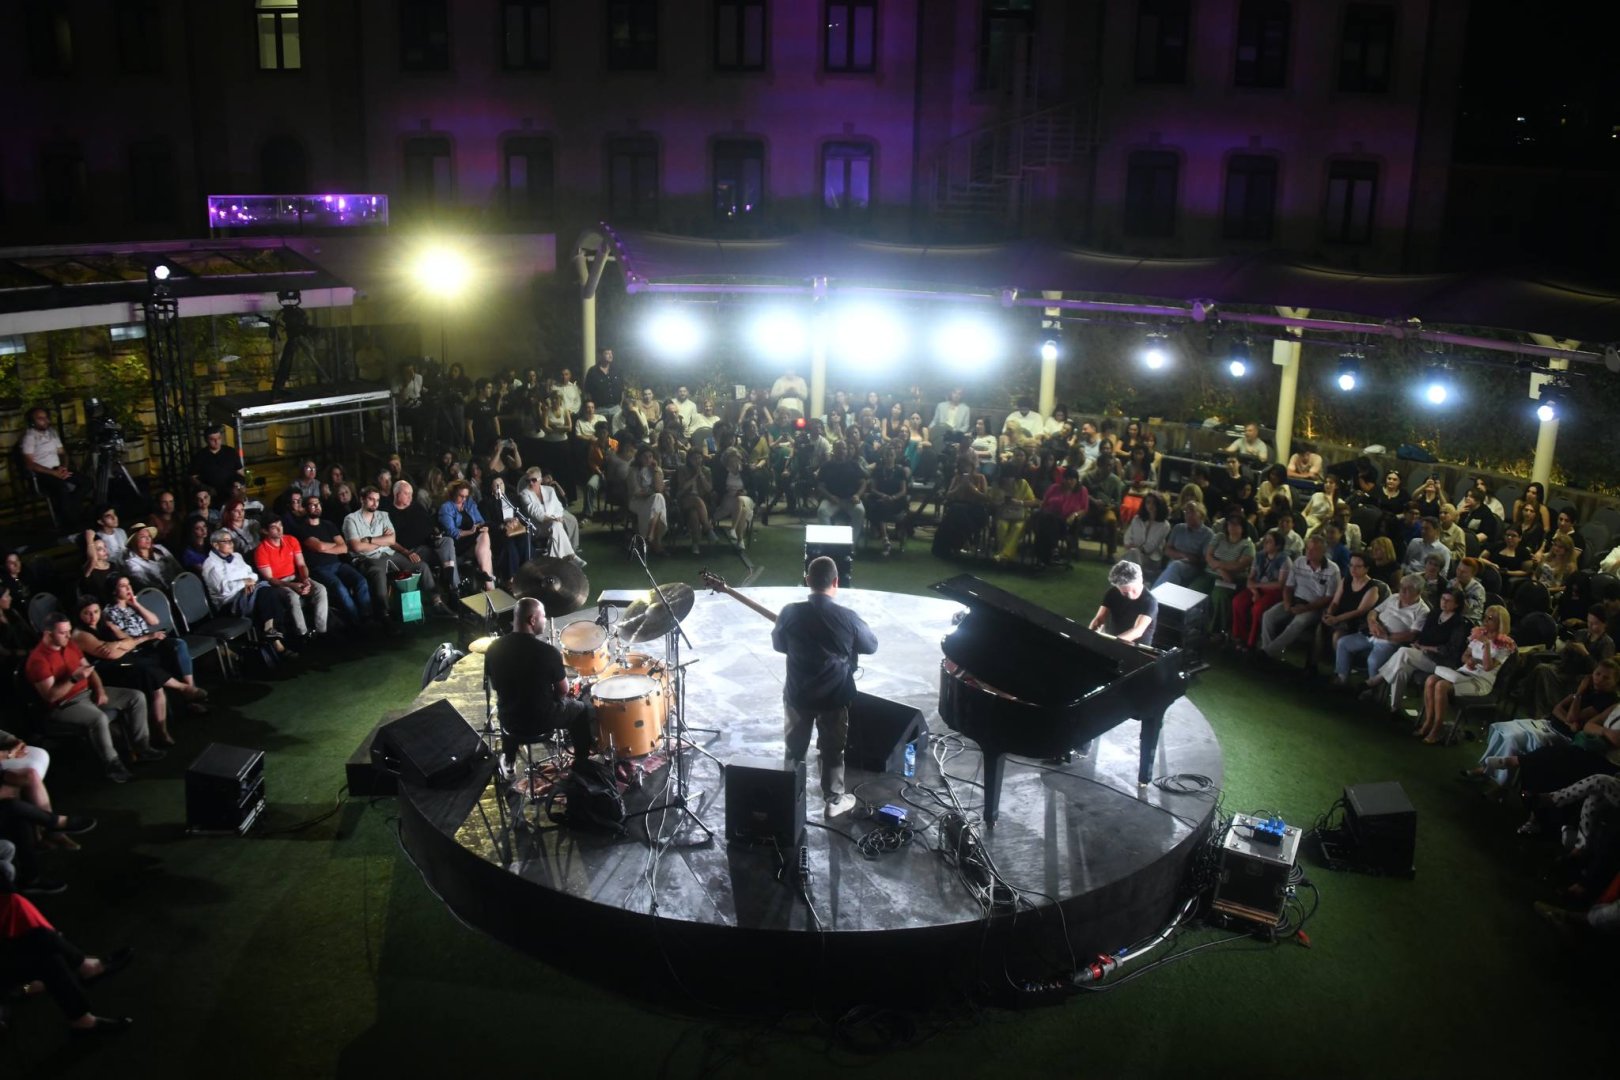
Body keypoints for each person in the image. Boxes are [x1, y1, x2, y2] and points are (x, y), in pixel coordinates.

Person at [771, 556, 878, 818]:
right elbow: (871, 645)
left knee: (794, 748)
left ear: (807, 580)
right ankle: (834, 800)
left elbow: (779, 645)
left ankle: (788, 795)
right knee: (832, 749)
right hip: (834, 695)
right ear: (836, 582)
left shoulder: (789, 612)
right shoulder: (847, 617)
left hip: (798, 694)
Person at [25, 613, 159, 783]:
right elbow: (50, 696)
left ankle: (142, 747)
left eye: (69, 631)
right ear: (48, 633)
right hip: (65, 704)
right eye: (63, 633)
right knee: (98, 719)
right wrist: (74, 679)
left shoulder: (69, 644)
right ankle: (113, 765)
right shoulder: (38, 660)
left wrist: (100, 690)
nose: (68, 636)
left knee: (135, 697)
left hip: (87, 693)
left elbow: (89, 670)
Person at [483, 598, 597, 775]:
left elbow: (495, 685)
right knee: (580, 709)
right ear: (532, 620)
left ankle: (509, 760)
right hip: (541, 721)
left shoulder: (493, 649)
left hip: (509, 720)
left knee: (509, 704)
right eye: (543, 617)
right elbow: (563, 691)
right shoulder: (548, 652)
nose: (545, 620)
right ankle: (581, 764)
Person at [343, 486, 457, 621]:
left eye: (377, 500)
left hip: (389, 553)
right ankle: (384, 614)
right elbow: (356, 547)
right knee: (378, 573)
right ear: (362, 499)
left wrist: (369, 539)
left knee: (422, 566)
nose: (375, 503)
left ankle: (437, 603)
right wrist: (382, 540)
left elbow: (391, 540)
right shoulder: (351, 519)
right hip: (367, 558)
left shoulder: (383, 515)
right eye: (371, 499)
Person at [1416, 605, 1515, 744]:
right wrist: (1469, 660)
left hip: (1480, 681)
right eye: (1485, 617)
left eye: (1490, 618)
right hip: (1464, 673)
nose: (1485, 621)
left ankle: (1437, 728)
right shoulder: (1479, 633)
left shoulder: (1505, 644)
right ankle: (1428, 721)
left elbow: (1488, 667)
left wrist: (1487, 644)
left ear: (1500, 622)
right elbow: (1464, 656)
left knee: (1441, 686)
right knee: (1431, 680)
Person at [1259, 534, 1341, 663]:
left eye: (1314, 549)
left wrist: (1306, 608)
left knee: (1298, 623)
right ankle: (1269, 653)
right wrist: (1287, 603)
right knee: (1268, 616)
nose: (1309, 552)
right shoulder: (1299, 562)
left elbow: (1329, 597)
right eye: (1307, 548)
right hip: (1295, 600)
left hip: (1314, 607)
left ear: (1323, 552)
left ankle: (1266, 653)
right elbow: (1288, 586)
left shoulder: (1333, 569)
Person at [1336, 573, 1427, 686]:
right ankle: (1342, 679)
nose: (1402, 591)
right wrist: (1372, 623)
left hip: (1390, 642)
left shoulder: (1422, 611)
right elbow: (1373, 611)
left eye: (1408, 589)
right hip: (1371, 633)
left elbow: (1412, 635)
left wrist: (1386, 636)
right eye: (1402, 587)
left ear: (1418, 592)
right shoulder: (1394, 597)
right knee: (1343, 643)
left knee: (1373, 661)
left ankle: (1371, 690)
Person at [253, 518, 330, 641]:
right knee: (292, 596)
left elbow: (301, 565)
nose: (279, 529)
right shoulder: (261, 550)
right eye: (274, 527)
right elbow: (270, 579)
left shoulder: (291, 540)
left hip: (296, 577)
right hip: (279, 583)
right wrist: (291, 585)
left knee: (320, 589)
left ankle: (321, 631)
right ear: (265, 531)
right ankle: (303, 634)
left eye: (280, 525)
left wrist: (305, 579)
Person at [19, 406, 83, 523]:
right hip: (43, 473)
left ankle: (73, 510)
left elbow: (63, 453)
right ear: (32, 421)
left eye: (46, 417)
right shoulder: (29, 437)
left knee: (86, 482)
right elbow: (30, 464)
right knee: (61, 488)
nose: (45, 421)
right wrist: (53, 473)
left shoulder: (52, 433)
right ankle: (67, 520)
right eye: (40, 418)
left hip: (58, 469)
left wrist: (64, 467)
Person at [435, 482, 495, 592]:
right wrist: (470, 531)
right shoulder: (446, 508)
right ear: (453, 493)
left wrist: (483, 527)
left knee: (485, 535)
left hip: (473, 540)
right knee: (486, 545)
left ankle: (486, 577)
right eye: (461, 496)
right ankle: (489, 583)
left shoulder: (469, 503)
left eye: (466, 496)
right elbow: (452, 532)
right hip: (457, 543)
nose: (463, 499)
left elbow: (480, 521)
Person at [1088, 559, 1158, 645]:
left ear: (1141, 580)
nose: (1130, 596)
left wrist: (1110, 644)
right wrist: (1089, 636)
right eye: (1125, 592)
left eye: (1134, 590)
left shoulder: (1150, 601)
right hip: (1114, 640)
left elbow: (1137, 631)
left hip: (1137, 648)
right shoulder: (1112, 593)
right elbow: (1099, 619)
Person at [815, 442, 868, 542]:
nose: (841, 451)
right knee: (822, 511)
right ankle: (830, 542)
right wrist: (830, 496)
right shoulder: (826, 466)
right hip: (832, 500)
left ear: (846, 451)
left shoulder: (854, 465)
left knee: (860, 511)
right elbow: (820, 486)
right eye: (838, 448)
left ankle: (851, 543)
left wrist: (857, 495)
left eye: (844, 448)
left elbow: (863, 482)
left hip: (850, 500)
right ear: (834, 450)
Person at [1155, 501, 1214, 589]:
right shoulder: (1178, 528)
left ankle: (1153, 594)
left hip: (1193, 568)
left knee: (1176, 566)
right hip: (1173, 563)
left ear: (1201, 514)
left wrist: (1192, 559)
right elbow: (1167, 550)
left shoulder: (1208, 534)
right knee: (1174, 567)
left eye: (1192, 511)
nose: (1187, 515)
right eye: (1186, 512)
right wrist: (1183, 555)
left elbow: (1204, 560)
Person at [188, 425, 243, 498]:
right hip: (211, 495)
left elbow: (240, 471)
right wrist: (205, 488)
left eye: (219, 438)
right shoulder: (199, 456)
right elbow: (192, 477)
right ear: (206, 440)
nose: (216, 441)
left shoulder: (231, 452)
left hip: (231, 493)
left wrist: (238, 484)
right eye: (212, 439)